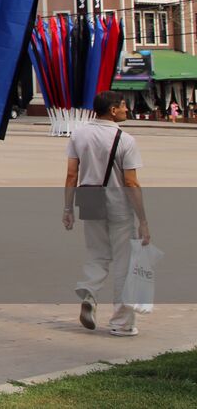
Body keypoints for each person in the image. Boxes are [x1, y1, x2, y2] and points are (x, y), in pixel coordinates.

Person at [63, 90, 151, 336]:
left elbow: (72, 174)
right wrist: (143, 220)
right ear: (113, 110)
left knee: (97, 255)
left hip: (89, 201)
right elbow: (131, 183)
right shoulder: (125, 140)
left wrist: (68, 208)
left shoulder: (78, 135)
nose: (127, 110)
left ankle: (89, 294)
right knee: (125, 262)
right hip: (118, 205)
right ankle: (122, 323)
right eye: (124, 106)